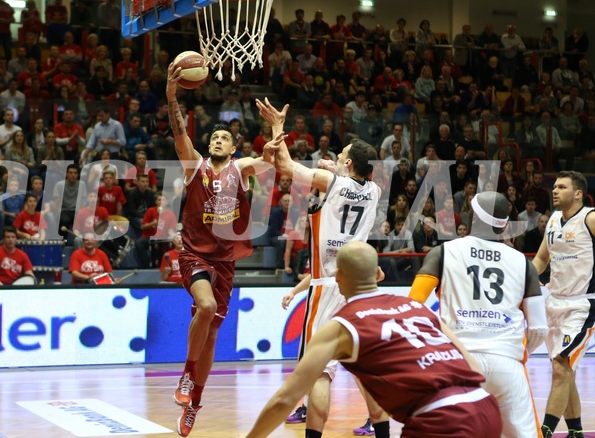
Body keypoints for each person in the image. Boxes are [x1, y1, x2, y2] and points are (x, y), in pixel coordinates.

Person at [247, 241, 502, 438]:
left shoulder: (340, 326)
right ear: (379, 273)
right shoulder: (417, 307)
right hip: (486, 407)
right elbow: (475, 368)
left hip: (441, 419)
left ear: (337, 277)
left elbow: (284, 400)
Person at [258, 99, 386, 438]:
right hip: (359, 287)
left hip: (330, 284)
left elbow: (284, 166)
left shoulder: (333, 182)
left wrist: (277, 125)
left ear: (345, 162)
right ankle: (383, 430)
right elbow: (349, 181)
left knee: (320, 372)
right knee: (363, 367)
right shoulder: (374, 190)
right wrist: (336, 169)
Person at [166, 62, 275, 437]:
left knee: (212, 333)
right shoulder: (193, 164)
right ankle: (185, 374)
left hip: (225, 261)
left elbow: (274, 159)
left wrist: (275, 130)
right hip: (194, 254)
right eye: (213, 137)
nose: (216, 140)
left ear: (233, 147)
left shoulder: (241, 168)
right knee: (207, 307)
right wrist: (171, 96)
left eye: (223, 138)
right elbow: (180, 131)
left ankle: (195, 401)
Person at [409, 191, 547, 438]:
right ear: (503, 223)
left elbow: (412, 307)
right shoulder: (523, 262)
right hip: (507, 364)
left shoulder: (443, 252)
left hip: (458, 361)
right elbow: (539, 329)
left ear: (473, 216)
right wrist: (514, 351)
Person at [531, 171, 594, 438]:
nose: (554, 190)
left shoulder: (590, 218)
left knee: (560, 366)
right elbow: (541, 260)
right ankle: (576, 432)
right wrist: (521, 283)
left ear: (577, 193)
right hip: (554, 303)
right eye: (554, 186)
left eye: (561, 187)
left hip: (583, 305)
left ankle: (543, 432)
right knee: (563, 371)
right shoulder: (555, 219)